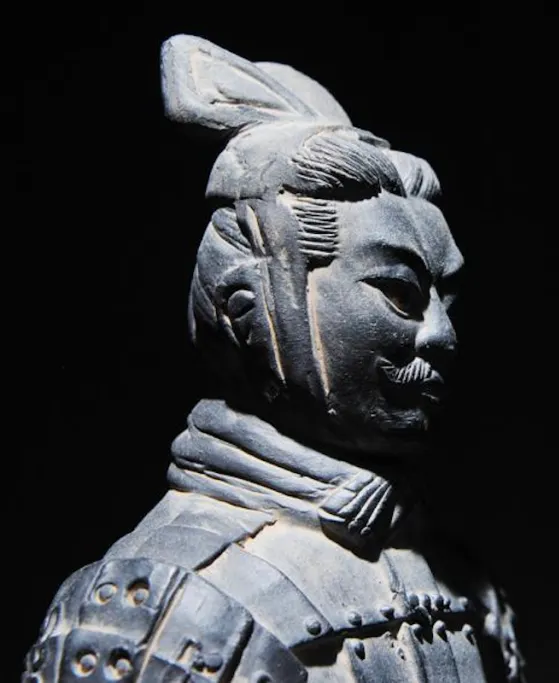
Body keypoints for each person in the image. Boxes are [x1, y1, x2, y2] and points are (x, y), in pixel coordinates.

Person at [22, 34, 524, 683]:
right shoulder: (160, 604)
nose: (442, 335)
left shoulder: (456, 578)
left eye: (446, 300)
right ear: (248, 311)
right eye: (399, 292)